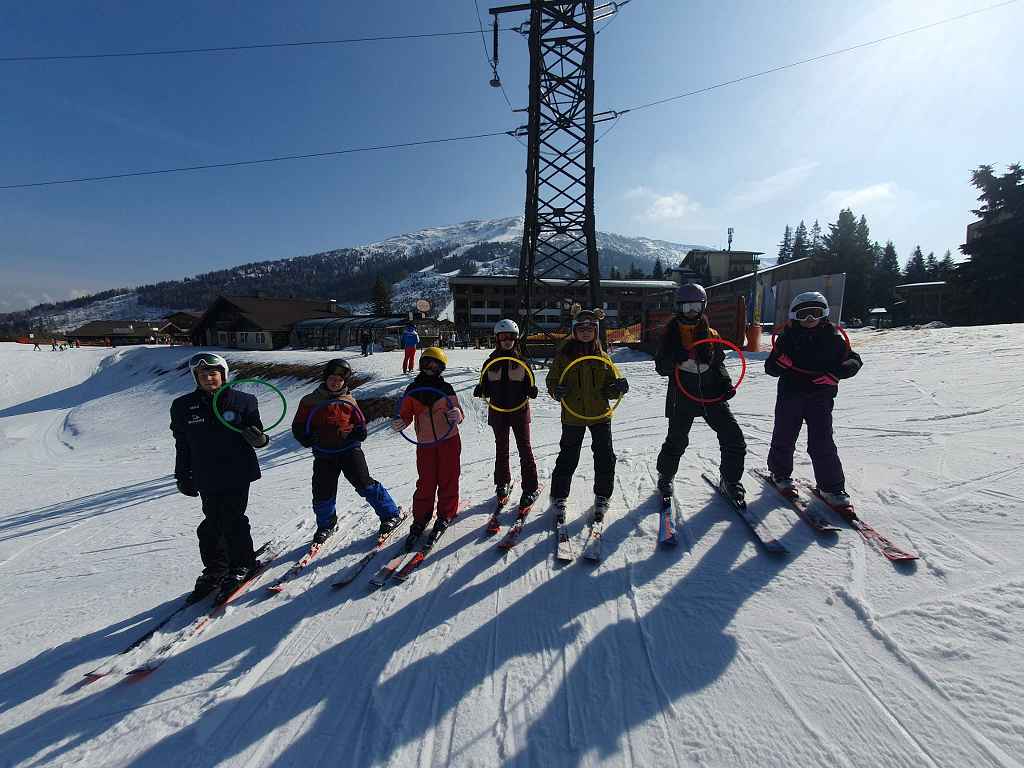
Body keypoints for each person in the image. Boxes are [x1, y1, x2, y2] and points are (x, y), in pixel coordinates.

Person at [170, 352, 270, 603]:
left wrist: (260, 439)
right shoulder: (182, 406)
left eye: (213, 373)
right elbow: (182, 445)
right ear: (196, 378)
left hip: (237, 470)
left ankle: (243, 564)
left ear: (223, 375)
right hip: (206, 473)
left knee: (232, 519)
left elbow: (259, 435)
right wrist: (182, 475)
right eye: (203, 374)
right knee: (211, 523)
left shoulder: (243, 401)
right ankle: (216, 569)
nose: (209, 378)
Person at [765, 292, 863, 506]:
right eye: (803, 315)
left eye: (815, 314)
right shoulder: (787, 338)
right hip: (790, 396)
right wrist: (779, 365)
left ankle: (832, 487)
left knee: (822, 443)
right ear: (794, 316)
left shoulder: (832, 338)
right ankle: (779, 473)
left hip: (820, 398)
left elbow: (854, 360)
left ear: (824, 314)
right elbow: (770, 367)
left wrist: (837, 373)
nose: (809, 319)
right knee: (784, 436)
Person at [291, 358, 403, 544]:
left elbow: (361, 427)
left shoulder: (349, 400)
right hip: (324, 453)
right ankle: (326, 524)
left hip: (349, 450)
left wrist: (358, 432)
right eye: (332, 378)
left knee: (364, 483)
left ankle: (390, 514)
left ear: (344, 382)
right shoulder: (310, 401)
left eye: (340, 380)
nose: (335, 382)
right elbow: (298, 426)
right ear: (326, 378)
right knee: (322, 491)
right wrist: (307, 438)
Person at [655, 283, 747, 504]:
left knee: (733, 437)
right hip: (682, 395)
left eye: (695, 307)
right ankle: (666, 476)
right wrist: (673, 358)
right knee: (677, 440)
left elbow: (719, 364)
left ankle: (731, 480)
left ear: (703, 307)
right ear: (678, 308)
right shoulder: (670, 335)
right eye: (686, 308)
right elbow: (661, 367)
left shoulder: (711, 333)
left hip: (710, 393)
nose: (691, 312)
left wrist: (725, 384)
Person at [546, 307, 629, 523]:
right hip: (573, 416)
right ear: (574, 330)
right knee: (568, 456)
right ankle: (559, 497)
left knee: (604, 456)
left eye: (590, 328)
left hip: (600, 415)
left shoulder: (602, 357)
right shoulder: (564, 355)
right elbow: (552, 380)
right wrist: (557, 391)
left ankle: (602, 496)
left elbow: (608, 389)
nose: (585, 332)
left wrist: (618, 387)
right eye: (581, 328)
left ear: (596, 331)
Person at [393, 347, 464, 549]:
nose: (431, 368)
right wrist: (401, 422)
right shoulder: (412, 390)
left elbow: (458, 412)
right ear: (421, 365)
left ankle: (446, 513)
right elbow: (406, 414)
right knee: (426, 481)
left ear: (441, 368)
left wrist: (457, 414)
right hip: (425, 444)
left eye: (435, 365)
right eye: (427, 363)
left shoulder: (447, 389)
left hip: (449, 440)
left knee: (448, 477)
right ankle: (421, 517)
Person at [472, 319, 541, 509]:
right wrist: (481, 390)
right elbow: (486, 386)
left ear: (516, 339)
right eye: (503, 337)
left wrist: (532, 391)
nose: (507, 340)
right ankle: (502, 482)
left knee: (525, 449)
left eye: (511, 337)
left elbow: (531, 386)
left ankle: (530, 487)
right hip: (499, 412)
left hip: (519, 411)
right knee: (501, 449)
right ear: (497, 339)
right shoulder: (490, 363)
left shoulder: (522, 362)